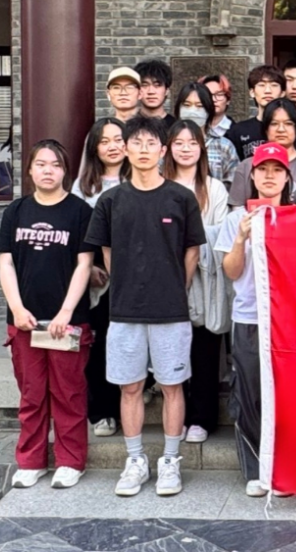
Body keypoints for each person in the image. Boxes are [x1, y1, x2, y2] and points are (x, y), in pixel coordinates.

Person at [84, 116, 206, 499]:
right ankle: (135, 460)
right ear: (125, 149)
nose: (142, 150)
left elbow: (191, 252)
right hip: (124, 311)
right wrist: (126, 285)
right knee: (131, 386)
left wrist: (175, 288)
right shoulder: (110, 201)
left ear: (163, 150)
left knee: (172, 386)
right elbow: (106, 253)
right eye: (135, 143)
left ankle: (170, 460)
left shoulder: (181, 198)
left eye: (151, 143)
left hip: (171, 310)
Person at [0, 139, 93, 490]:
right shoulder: (16, 211)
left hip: (68, 322)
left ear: (65, 170)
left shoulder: (79, 211)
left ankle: (70, 461)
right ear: (30, 170)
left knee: (68, 393)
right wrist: (17, 308)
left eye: (55, 164)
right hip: (25, 321)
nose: (48, 170)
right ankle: (31, 460)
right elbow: (6, 263)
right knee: (31, 394)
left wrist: (66, 312)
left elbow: (85, 265)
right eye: (41, 164)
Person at [216, 142, 293, 497]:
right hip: (249, 318)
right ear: (252, 176)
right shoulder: (236, 218)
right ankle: (255, 469)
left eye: (277, 170)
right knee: (249, 394)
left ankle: (285, 469)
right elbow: (231, 272)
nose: (270, 177)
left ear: (287, 177)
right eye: (263, 170)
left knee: (288, 395)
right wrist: (241, 238)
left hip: (288, 320)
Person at [164, 119, 230, 447]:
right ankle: (176, 415)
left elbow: (219, 233)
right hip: (166, 275)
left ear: (202, 148)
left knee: (204, 348)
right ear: (168, 148)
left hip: (205, 278)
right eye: (179, 143)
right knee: (172, 350)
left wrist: (189, 241)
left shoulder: (214, 188)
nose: (186, 149)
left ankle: (202, 418)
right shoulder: (159, 185)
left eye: (192, 143)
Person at [72, 118, 125, 439]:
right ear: (94, 148)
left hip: (133, 277)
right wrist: (88, 267)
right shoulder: (83, 187)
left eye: (118, 139)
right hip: (98, 280)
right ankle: (102, 411)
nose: (112, 146)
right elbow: (76, 234)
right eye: (104, 141)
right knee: (100, 345)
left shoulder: (140, 178)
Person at [226, 97, 296, 206]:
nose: (281, 129)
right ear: (265, 129)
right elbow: (236, 209)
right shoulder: (246, 166)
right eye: (274, 123)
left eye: (288, 123)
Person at [173, 79, 239, 187]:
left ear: (209, 110)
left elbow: (234, 186)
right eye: (187, 105)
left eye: (199, 106)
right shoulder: (167, 144)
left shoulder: (224, 146)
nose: (192, 111)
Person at [227, 64, 285, 160]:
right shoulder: (238, 131)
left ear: (282, 93)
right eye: (261, 85)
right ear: (252, 92)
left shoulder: (290, 129)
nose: (267, 91)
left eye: (274, 85)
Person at [135, 59, 174, 128]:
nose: (151, 91)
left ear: (167, 90)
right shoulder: (128, 124)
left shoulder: (176, 127)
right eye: (144, 85)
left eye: (157, 85)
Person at [201, 73, 235, 149]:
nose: (213, 99)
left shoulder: (237, 132)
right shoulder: (192, 129)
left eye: (219, 94)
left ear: (228, 100)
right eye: (208, 95)